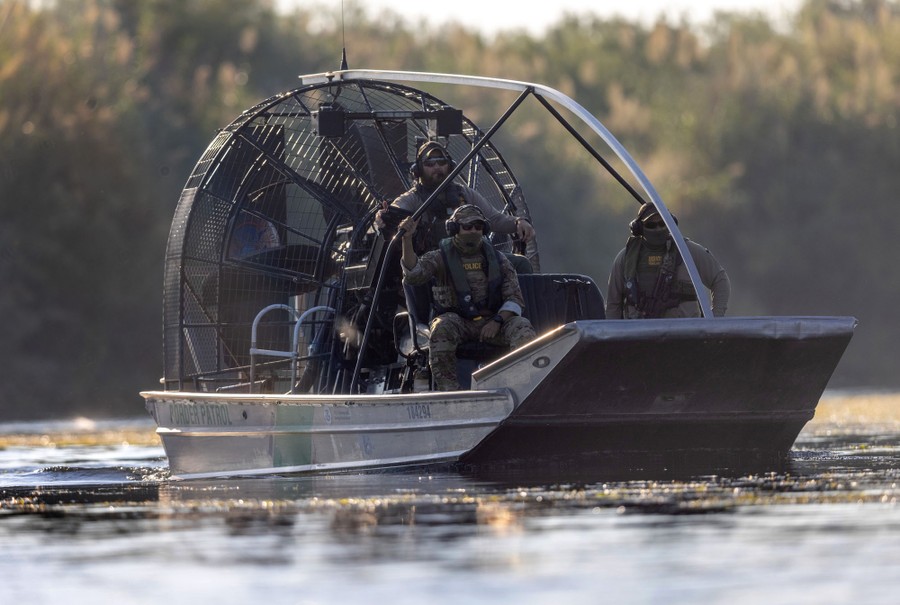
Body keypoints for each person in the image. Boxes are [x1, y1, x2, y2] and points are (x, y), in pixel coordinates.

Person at [399, 205, 536, 391]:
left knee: (523, 327)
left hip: (493, 322)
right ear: (455, 229)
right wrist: (407, 240)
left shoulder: (499, 259)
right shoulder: (439, 258)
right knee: (441, 329)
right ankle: (450, 393)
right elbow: (414, 275)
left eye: (478, 227)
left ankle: (521, 388)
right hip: (458, 322)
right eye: (467, 226)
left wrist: (496, 321)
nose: (473, 231)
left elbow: (514, 298)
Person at [376, 141, 535, 255]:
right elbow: (394, 214)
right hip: (434, 263)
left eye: (441, 162)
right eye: (430, 164)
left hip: (472, 258)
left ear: (450, 166)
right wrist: (382, 218)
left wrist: (518, 222)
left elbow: (494, 219)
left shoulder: (465, 194)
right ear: (418, 170)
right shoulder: (412, 199)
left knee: (520, 264)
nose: (437, 167)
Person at [606, 203, 731, 319]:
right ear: (638, 228)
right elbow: (613, 305)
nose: (658, 228)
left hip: (685, 336)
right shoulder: (626, 258)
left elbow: (720, 279)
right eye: (651, 225)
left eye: (662, 223)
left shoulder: (687, 251)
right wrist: (614, 338)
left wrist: (714, 319)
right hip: (639, 337)